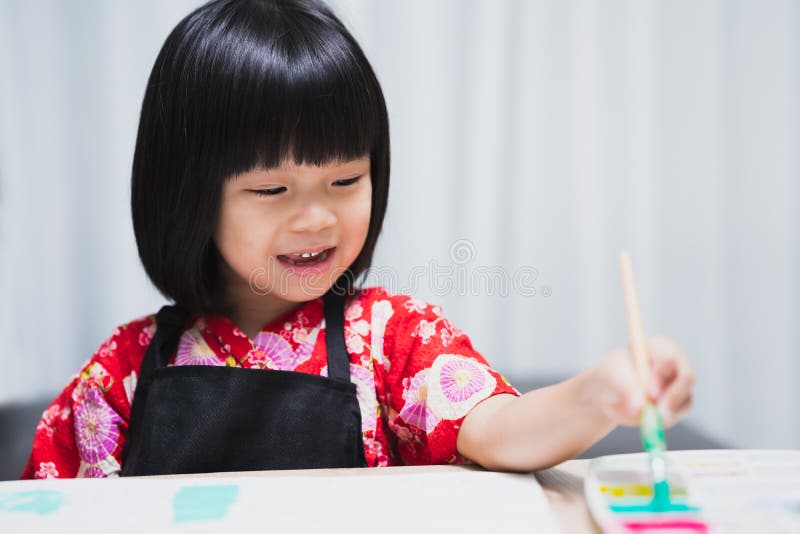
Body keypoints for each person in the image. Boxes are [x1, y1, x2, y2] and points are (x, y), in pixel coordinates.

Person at [21, 0, 694, 479]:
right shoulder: (125, 372)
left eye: (345, 180)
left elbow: (497, 433)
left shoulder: (390, 340)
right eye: (271, 191)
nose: (317, 218)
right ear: (189, 194)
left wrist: (595, 395)